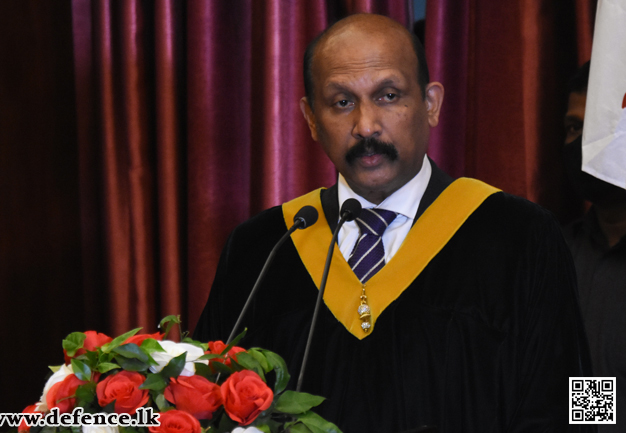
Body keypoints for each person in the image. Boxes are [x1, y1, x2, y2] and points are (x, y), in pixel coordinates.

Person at [196, 14, 593, 432]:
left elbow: (581, 396)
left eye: (388, 95)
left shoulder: (519, 233)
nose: (366, 126)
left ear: (431, 103)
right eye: (342, 102)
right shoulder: (262, 247)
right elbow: (204, 394)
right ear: (311, 118)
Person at [563, 61, 626, 432]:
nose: (583, 144)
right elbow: (591, 408)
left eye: (599, 130)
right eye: (574, 128)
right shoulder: (564, 255)